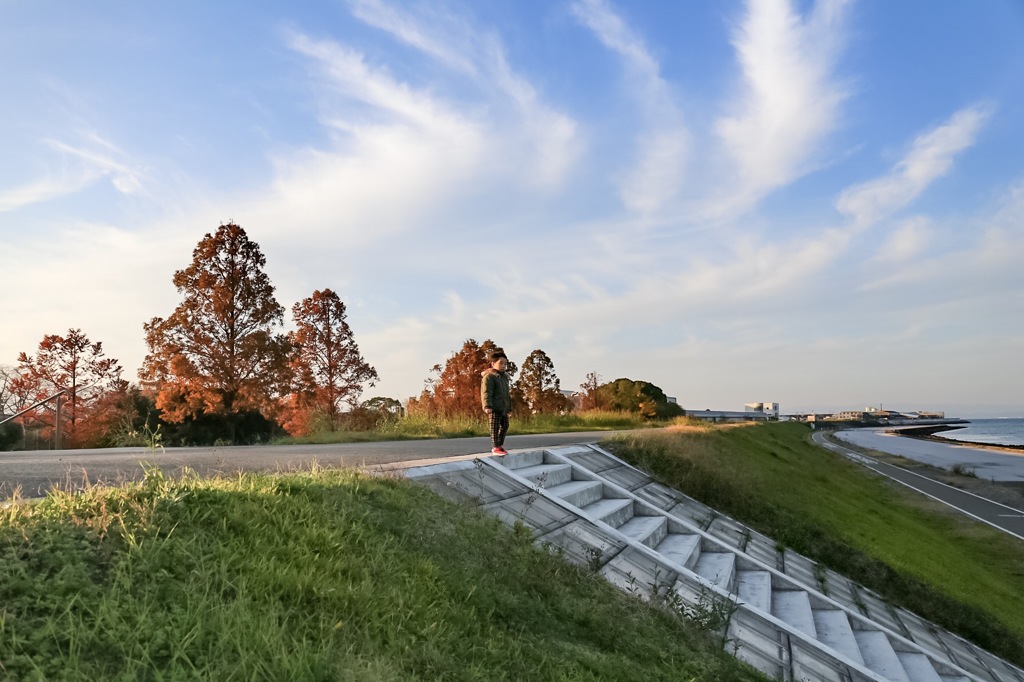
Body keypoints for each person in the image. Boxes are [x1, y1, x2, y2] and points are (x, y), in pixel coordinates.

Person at [481, 351, 512, 455]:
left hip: (503, 407)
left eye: (505, 364)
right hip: (493, 407)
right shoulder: (489, 377)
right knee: (494, 427)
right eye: (501, 363)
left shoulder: (504, 378)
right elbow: (486, 392)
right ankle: (495, 447)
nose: (503, 366)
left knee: (505, 425)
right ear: (493, 364)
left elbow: (507, 395)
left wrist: (509, 409)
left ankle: (500, 445)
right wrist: (487, 405)